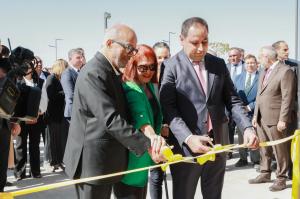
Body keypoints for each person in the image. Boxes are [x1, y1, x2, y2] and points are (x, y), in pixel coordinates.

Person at [159, 17, 258, 199]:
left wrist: (248, 128)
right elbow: (169, 109)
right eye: (194, 42)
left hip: (218, 144)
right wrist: (188, 138)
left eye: (205, 42)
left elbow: (233, 101)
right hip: (186, 149)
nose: (200, 48)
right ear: (181, 39)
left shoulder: (218, 64)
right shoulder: (170, 66)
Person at [63, 24, 165, 199]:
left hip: (108, 161)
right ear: (110, 43)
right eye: (129, 48)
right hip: (92, 165)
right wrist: (147, 144)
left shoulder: (110, 71)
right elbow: (110, 119)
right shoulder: (93, 73)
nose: (132, 54)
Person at [113, 44, 165, 199]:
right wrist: (153, 137)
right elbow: (140, 117)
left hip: (144, 158)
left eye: (152, 67)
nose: (149, 72)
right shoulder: (131, 87)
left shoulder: (147, 85)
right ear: (132, 65)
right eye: (143, 67)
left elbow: (152, 113)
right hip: (132, 160)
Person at [249, 46, 296, 192]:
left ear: (267, 57)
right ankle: (265, 173)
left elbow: (288, 98)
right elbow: (259, 95)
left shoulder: (285, 71)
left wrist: (283, 119)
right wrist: (255, 115)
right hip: (262, 117)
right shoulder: (264, 71)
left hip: (276, 119)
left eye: (260, 57)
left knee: (279, 149)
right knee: (264, 147)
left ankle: (281, 178)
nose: (259, 60)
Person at [149, 42, 171, 199]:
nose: (163, 60)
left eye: (166, 57)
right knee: (156, 176)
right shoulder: (147, 79)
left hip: (173, 130)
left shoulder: (174, 75)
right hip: (154, 133)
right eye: (159, 57)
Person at [233, 54, 260, 167]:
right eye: (248, 63)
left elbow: (261, 96)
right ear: (245, 65)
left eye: (252, 63)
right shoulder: (238, 77)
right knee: (241, 136)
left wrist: (250, 107)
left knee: (254, 135)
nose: (250, 65)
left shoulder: (262, 77)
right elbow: (233, 94)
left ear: (257, 64)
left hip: (255, 112)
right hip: (241, 113)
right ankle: (243, 158)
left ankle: (256, 160)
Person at [0, 57, 21, 192]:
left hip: (4, 127)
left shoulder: (7, 81)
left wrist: (15, 122)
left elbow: (12, 104)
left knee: (2, 164)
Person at [45, 59, 68, 171]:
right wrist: (65, 92)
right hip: (53, 115)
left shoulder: (59, 79)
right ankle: (53, 162)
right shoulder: (51, 78)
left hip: (59, 115)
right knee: (53, 140)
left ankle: (59, 161)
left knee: (59, 140)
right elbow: (50, 95)